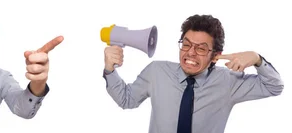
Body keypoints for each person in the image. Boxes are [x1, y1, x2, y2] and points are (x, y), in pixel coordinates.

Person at [103, 14, 284, 133]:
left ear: (215, 56)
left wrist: (257, 59)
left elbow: (274, 86)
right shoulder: (156, 72)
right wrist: (110, 70)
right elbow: (126, 100)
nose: (190, 52)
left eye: (201, 48)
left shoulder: (228, 82)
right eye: (187, 44)